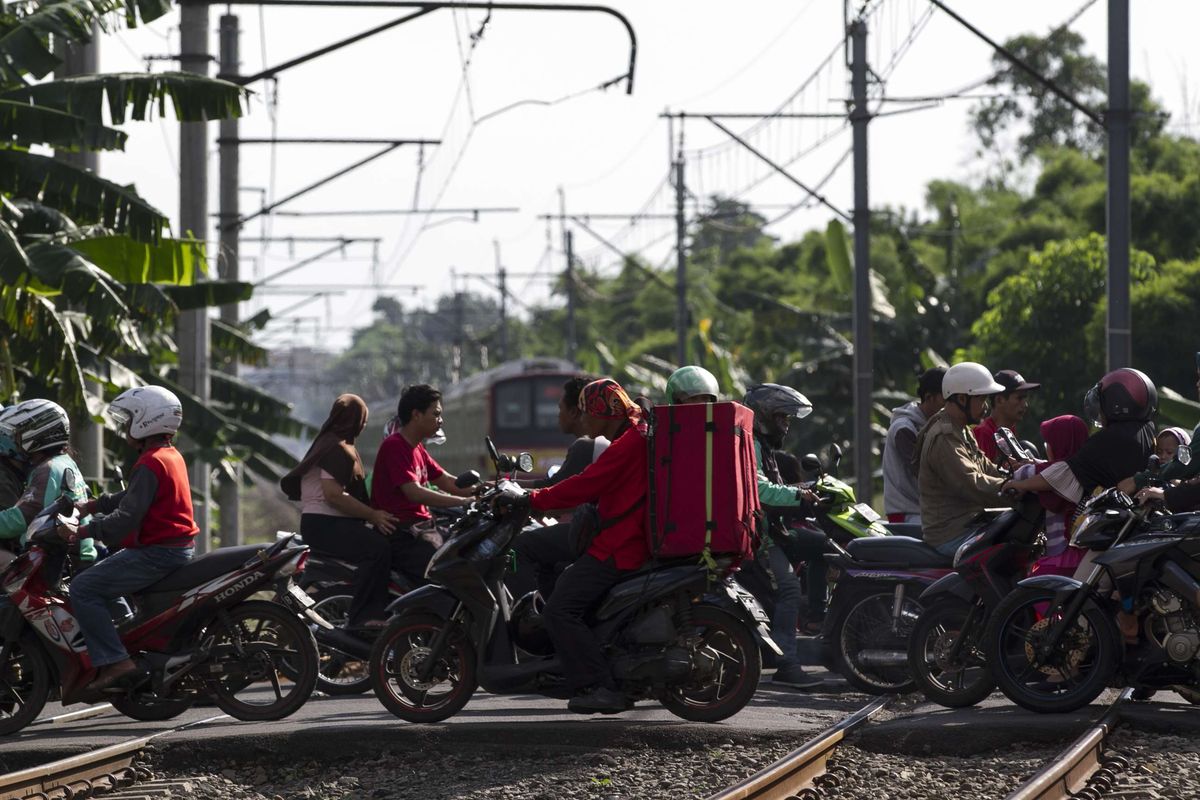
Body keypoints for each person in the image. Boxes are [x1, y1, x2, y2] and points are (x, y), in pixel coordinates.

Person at [514, 378, 649, 715]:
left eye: (589, 413)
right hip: (626, 538)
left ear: (604, 412)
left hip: (620, 546)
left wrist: (533, 500)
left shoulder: (626, 445)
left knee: (560, 609)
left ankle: (601, 687)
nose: (585, 421)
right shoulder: (636, 434)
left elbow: (585, 485)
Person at [69, 386, 197, 692]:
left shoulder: (150, 462)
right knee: (104, 576)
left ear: (146, 420)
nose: (124, 426)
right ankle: (127, 634)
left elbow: (126, 518)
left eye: (128, 419)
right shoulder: (168, 455)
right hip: (174, 549)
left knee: (83, 588)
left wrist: (83, 531)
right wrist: (95, 505)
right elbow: (134, 496)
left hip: (157, 553)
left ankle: (116, 661)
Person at [281, 394, 396, 628]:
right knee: (378, 550)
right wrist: (372, 515)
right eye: (363, 420)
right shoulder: (336, 447)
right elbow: (333, 494)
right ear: (357, 420)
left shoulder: (329, 441)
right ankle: (364, 616)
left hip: (323, 522)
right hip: (326, 524)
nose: (363, 426)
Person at [741, 383, 826, 690]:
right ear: (765, 416)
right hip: (756, 537)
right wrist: (798, 495)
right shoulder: (752, 445)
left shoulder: (762, 446)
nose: (787, 425)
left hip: (766, 532)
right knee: (788, 588)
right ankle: (787, 662)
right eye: (782, 418)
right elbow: (760, 490)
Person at [512, 374, 605, 600]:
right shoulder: (597, 444)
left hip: (596, 531)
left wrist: (518, 494)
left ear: (575, 411)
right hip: (602, 527)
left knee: (519, 546)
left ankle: (525, 612)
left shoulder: (586, 445)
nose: (557, 415)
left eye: (559, 408)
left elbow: (559, 489)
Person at [372, 385, 476, 584]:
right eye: (436, 414)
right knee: (446, 574)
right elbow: (415, 493)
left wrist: (480, 489)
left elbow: (445, 480)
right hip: (403, 534)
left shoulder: (416, 447)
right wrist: (464, 501)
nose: (440, 420)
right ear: (416, 415)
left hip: (421, 529)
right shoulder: (395, 446)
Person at [1012, 369, 1156, 506]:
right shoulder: (1148, 430)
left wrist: (1019, 484)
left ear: (1116, 400)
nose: (1100, 409)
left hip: (1112, 524)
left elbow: (1062, 474)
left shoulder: (1108, 439)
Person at [913, 362, 1009, 557]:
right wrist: (1013, 488)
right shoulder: (944, 436)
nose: (985, 407)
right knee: (1005, 550)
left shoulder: (961, 428)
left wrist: (1020, 475)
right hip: (951, 535)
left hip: (967, 525)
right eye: (981, 399)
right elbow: (971, 482)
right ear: (962, 399)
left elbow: (985, 467)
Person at [0, 399, 95, 567]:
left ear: (35, 435)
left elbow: (19, 519)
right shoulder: (64, 461)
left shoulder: (47, 470)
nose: (14, 440)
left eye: (18, 434)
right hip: (75, 552)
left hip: (63, 558)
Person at [1016, 415, 1089, 578]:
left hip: (1065, 554)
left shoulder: (1064, 469)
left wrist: (1014, 481)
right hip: (1077, 553)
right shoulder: (1080, 467)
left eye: (1049, 442)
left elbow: (1021, 475)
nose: (1047, 447)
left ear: (1059, 444)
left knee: (1032, 589)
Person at [883, 367, 946, 524]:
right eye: (946, 398)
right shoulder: (904, 429)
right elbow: (924, 472)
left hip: (925, 511)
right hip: (908, 513)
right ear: (929, 397)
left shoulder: (936, 424)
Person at [972, 370, 1041, 461]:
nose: (1025, 405)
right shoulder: (984, 433)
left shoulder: (1009, 430)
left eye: (1025, 398)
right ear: (999, 400)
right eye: (1019, 398)